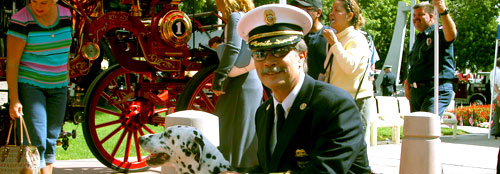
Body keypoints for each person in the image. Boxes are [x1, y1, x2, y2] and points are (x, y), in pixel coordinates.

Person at [223, 4, 371, 173]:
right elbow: (270, 168)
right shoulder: (264, 112)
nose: (268, 61)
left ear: (301, 56)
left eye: (279, 50)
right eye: (260, 53)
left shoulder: (335, 107)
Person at [6, 0, 72, 173]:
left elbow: (65, 52)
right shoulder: (21, 20)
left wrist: (66, 78)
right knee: (35, 142)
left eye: (43, 2)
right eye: (34, 1)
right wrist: (14, 99)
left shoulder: (66, 15)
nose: (38, 7)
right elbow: (12, 63)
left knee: (51, 140)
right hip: (31, 86)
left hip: (59, 87)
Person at [212, 0, 262, 171]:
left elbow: (233, 48)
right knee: (244, 136)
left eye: (219, 2)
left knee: (228, 132)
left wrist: (219, 77)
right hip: (251, 80)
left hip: (240, 83)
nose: (217, 7)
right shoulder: (249, 17)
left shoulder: (235, 17)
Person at [322, 0, 375, 145]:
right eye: (332, 9)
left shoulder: (357, 38)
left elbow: (349, 67)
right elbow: (329, 70)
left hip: (357, 100)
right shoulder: (336, 38)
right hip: (338, 102)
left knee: (357, 148)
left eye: (337, 10)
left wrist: (335, 44)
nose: (331, 13)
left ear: (349, 15)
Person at [406, 0, 457, 116]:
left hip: (436, 90)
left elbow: (451, 34)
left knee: (426, 126)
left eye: (420, 15)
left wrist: (443, 11)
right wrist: (408, 82)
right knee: (416, 130)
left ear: (432, 17)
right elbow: (416, 64)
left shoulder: (438, 33)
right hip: (417, 91)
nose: (415, 18)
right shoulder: (420, 39)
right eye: (414, 15)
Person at [290, 0, 333, 80]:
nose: (302, 13)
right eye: (298, 9)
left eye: (306, 9)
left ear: (318, 12)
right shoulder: (295, 37)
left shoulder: (331, 36)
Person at [490, 59, 500, 138]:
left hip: (495, 95)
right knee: (497, 113)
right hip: (497, 95)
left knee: (497, 113)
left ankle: (495, 130)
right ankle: (495, 130)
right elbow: (495, 85)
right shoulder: (498, 72)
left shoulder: (493, 71)